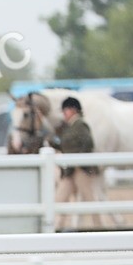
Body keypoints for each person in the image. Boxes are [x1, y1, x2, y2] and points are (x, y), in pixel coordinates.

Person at [51, 95, 99, 230]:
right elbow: (66, 146)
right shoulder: (70, 127)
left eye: (65, 110)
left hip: (79, 169)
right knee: (60, 198)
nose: (64, 114)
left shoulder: (80, 125)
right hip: (70, 170)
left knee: (89, 197)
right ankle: (55, 227)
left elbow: (88, 143)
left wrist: (78, 160)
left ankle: (99, 226)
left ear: (73, 110)